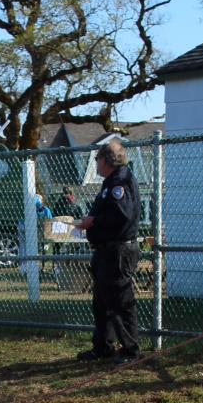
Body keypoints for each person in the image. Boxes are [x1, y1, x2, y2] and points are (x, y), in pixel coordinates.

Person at [73, 139, 141, 364]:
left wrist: (94, 221)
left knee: (120, 302)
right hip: (105, 250)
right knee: (102, 302)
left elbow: (122, 216)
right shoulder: (111, 182)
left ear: (106, 160)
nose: (96, 163)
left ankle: (130, 351)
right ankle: (103, 346)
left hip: (118, 251)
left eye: (97, 159)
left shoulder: (120, 182)